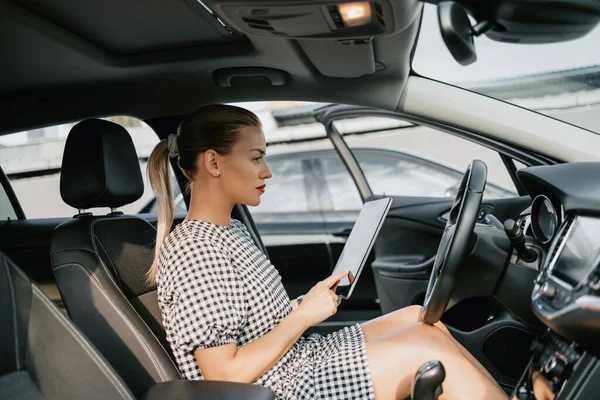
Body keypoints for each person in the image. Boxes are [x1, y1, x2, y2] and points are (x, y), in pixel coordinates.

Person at [147, 104, 507, 399]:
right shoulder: (195, 249)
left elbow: (248, 323)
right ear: (213, 163)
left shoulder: (230, 231)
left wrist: (305, 303)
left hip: (295, 361)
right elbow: (224, 373)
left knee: (418, 318)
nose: (267, 171)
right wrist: (302, 318)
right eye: (256, 158)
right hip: (279, 389)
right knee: (429, 351)